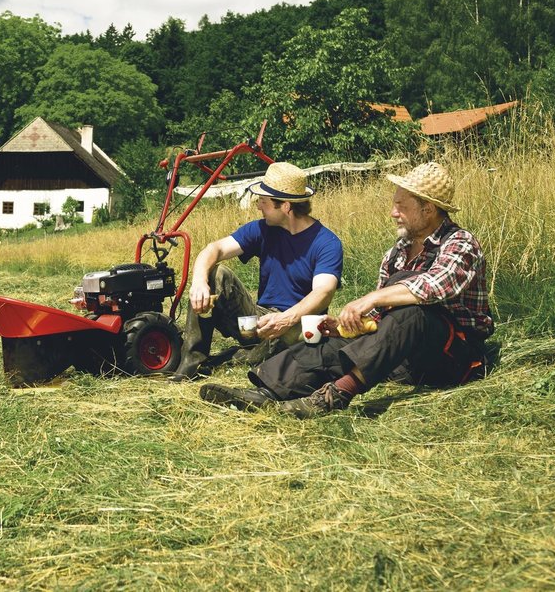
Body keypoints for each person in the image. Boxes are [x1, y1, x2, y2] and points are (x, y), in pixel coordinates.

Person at [200, 162, 494, 417]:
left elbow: (433, 288)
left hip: (454, 356)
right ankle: (266, 392)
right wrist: (342, 329)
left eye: (401, 206)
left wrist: (370, 298)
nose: (393, 213)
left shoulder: (459, 243)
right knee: (327, 341)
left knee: (415, 314)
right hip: (401, 354)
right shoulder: (398, 253)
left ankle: (333, 396)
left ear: (428, 209)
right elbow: (380, 322)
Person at [170, 161, 344, 381]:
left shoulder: (326, 243)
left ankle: (245, 357)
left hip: (296, 325)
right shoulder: (262, 229)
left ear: (286, 207)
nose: (258, 206)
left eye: (263, 201)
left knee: (295, 338)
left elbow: (323, 292)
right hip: (258, 323)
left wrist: (285, 319)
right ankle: (191, 363)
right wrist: (199, 281)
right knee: (216, 273)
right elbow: (214, 249)